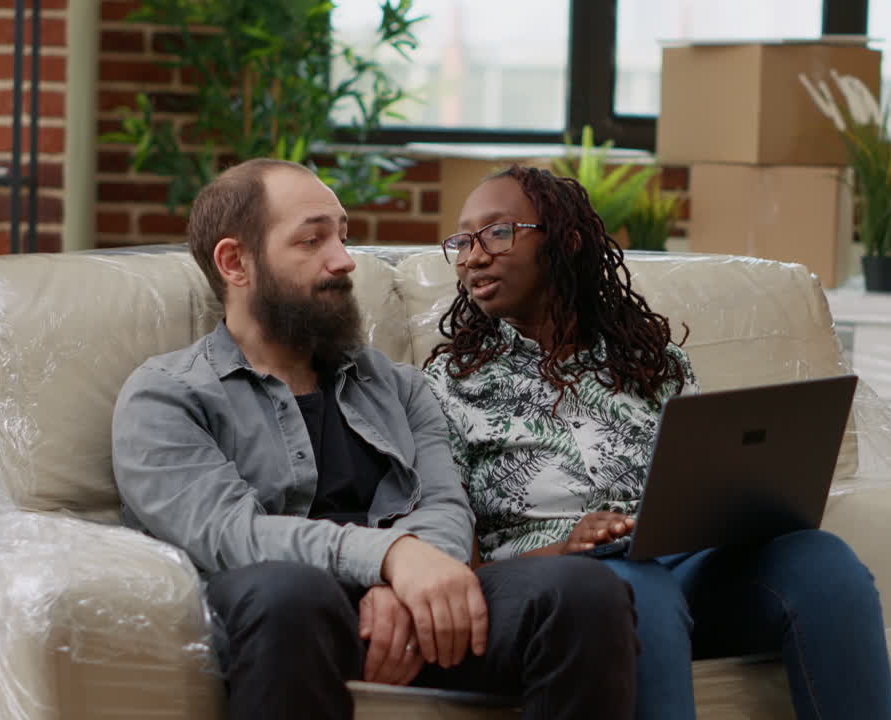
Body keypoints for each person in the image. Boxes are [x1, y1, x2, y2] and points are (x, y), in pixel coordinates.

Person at [112, 158, 638, 720]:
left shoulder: (398, 387)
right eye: (312, 240)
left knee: (582, 592)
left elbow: (443, 504)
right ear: (235, 262)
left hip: (417, 604)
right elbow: (230, 534)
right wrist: (390, 557)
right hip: (282, 620)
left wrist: (406, 583)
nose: (343, 261)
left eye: (342, 235)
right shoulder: (166, 396)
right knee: (289, 594)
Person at [424, 164, 891, 720]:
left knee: (823, 563)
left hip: (684, 565)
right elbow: (458, 571)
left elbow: (701, 485)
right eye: (461, 240)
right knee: (636, 589)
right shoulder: (448, 387)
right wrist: (569, 545)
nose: (471, 256)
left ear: (566, 242)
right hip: (567, 585)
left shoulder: (655, 364)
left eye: (497, 232)